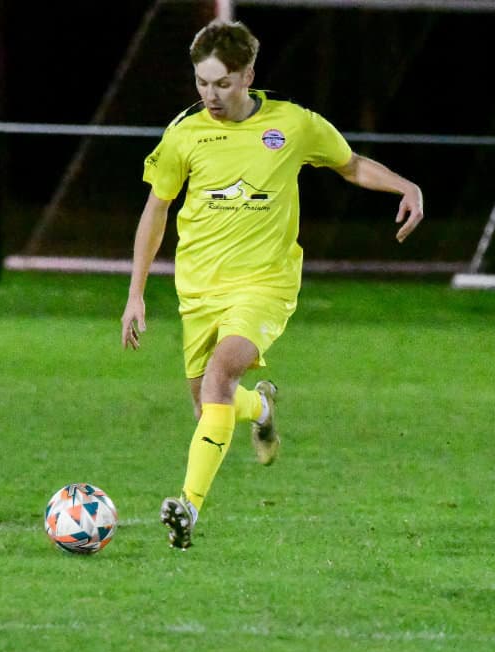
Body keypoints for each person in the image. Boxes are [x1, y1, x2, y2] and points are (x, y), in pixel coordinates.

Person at [120, 19, 424, 549]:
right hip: (198, 290)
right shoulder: (185, 133)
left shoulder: (292, 123)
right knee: (208, 407)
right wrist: (135, 294)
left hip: (265, 285)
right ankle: (260, 408)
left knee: (219, 376)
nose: (211, 95)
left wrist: (406, 186)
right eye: (202, 83)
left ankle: (187, 509)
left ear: (247, 76)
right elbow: (157, 209)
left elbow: (350, 165)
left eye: (222, 83)